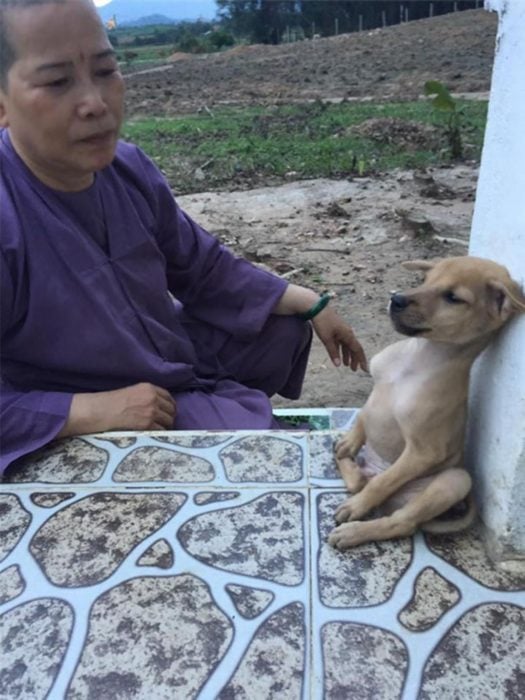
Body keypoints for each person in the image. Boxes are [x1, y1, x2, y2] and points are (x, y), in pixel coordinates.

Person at [0, 0, 367, 476]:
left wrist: (312, 302)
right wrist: (85, 413)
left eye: (106, 70)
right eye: (56, 82)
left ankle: (203, 404)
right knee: (256, 460)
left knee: (280, 327)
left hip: (163, 354)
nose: (95, 103)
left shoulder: (128, 167)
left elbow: (202, 266)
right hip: (59, 394)